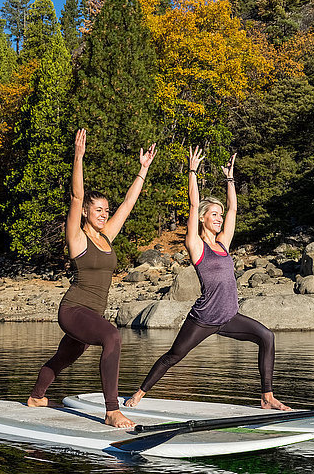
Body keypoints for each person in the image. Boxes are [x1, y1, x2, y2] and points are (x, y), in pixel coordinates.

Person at [125, 146, 290, 411]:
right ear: (202, 218)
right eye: (214, 214)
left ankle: (267, 397)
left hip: (228, 317)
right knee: (173, 356)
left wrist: (230, 179)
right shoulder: (196, 246)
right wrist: (192, 171)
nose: (219, 218)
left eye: (219, 215)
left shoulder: (223, 244)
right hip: (203, 319)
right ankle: (139, 394)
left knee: (267, 337)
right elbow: (192, 203)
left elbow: (234, 211)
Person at [27, 129, 157, 427]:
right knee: (112, 335)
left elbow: (127, 206)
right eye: (98, 210)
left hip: (91, 314)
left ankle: (36, 396)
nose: (103, 214)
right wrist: (78, 157)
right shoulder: (77, 238)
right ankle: (111, 410)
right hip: (74, 310)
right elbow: (76, 195)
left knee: (64, 357)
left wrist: (143, 169)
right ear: (86, 212)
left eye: (105, 210)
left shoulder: (105, 236)